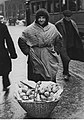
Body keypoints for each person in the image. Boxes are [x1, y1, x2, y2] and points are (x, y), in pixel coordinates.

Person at [18, 8, 67, 83]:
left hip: (49, 55)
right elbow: (22, 40)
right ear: (36, 18)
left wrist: (56, 50)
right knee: (37, 77)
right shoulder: (30, 29)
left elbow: (59, 39)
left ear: (46, 18)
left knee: (50, 76)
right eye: (39, 18)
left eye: (43, 18)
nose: (41, 20)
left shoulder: (52, 28)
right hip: (35, 56)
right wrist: (28, 52)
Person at [55, 10, 84, 80]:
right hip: (63, 45)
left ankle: (66, 72)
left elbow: (76, 33)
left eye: (69, 17)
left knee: (71, 58)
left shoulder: (73, 23)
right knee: (65, 59)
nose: (68, 18)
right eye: (67, 17)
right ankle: (65, 73)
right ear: (64, 16)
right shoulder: (58, 24)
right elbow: (56, 36)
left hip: (72, 44)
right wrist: (57, 46)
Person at [0, 20, 17, 91]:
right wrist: (12, 53)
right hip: (2, 51)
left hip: (2, 51)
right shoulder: (2, 26)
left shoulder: (3, 26)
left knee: (5, 68)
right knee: (5, 69)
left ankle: (6, 82)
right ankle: (6, 82)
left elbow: (8, 40)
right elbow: (8, 40)